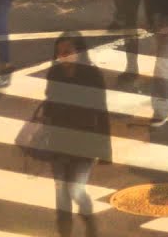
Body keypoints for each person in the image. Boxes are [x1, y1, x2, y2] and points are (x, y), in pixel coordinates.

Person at [41, 32, 110, 237]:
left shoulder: (92, 75)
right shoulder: (54, 73)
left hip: (84, 143)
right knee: (61, 192)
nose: (63, 56)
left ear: (79, 52)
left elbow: (102, 112)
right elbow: (49, 103)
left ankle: (89, 222)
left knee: (76, 189)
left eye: (67, 52)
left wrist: (105, 151)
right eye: (59, 53)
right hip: (59, 141)